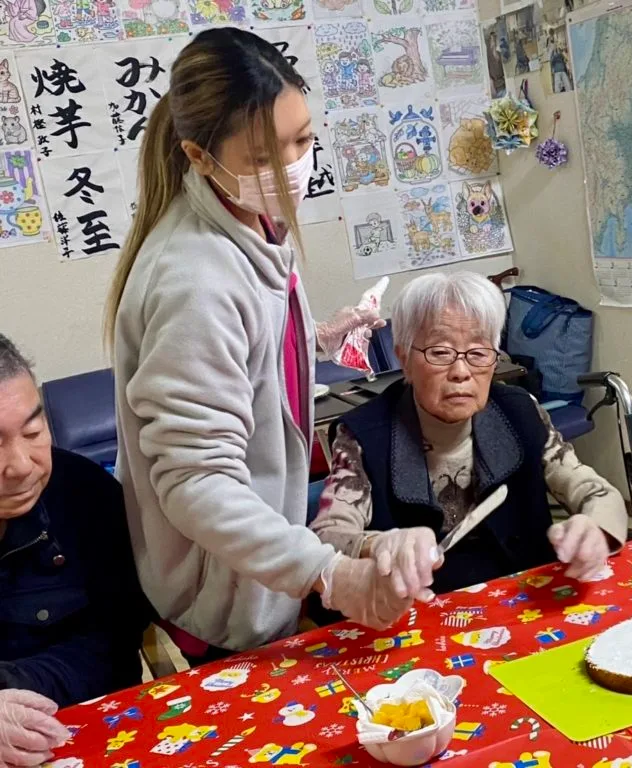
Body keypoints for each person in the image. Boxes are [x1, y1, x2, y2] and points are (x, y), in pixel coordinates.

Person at [107, 29, 409, 666]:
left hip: (257, 579)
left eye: (303, 139)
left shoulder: (250, 218)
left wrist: (309, 337)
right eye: (269, 154)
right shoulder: (196, 278)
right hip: (216, 606)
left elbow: (240, 352)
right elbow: (194, 481)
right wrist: (329, 573)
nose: (295, 164)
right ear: (198, 154)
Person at [312, 272, 628, 600]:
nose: (462, 371)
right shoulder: (363, 434)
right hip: (416, 611)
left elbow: (597, 494)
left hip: (524, 601)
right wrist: (375, 545)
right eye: (440, 352)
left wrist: (595, 530)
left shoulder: (520, 412)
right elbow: (328, 536)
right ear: (404, 357)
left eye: (478, 353)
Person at [0, 335, 150, 717]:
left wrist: (12, 691)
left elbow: (113, 645)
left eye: (34, 433)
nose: (21, 465)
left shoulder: (85, 494)